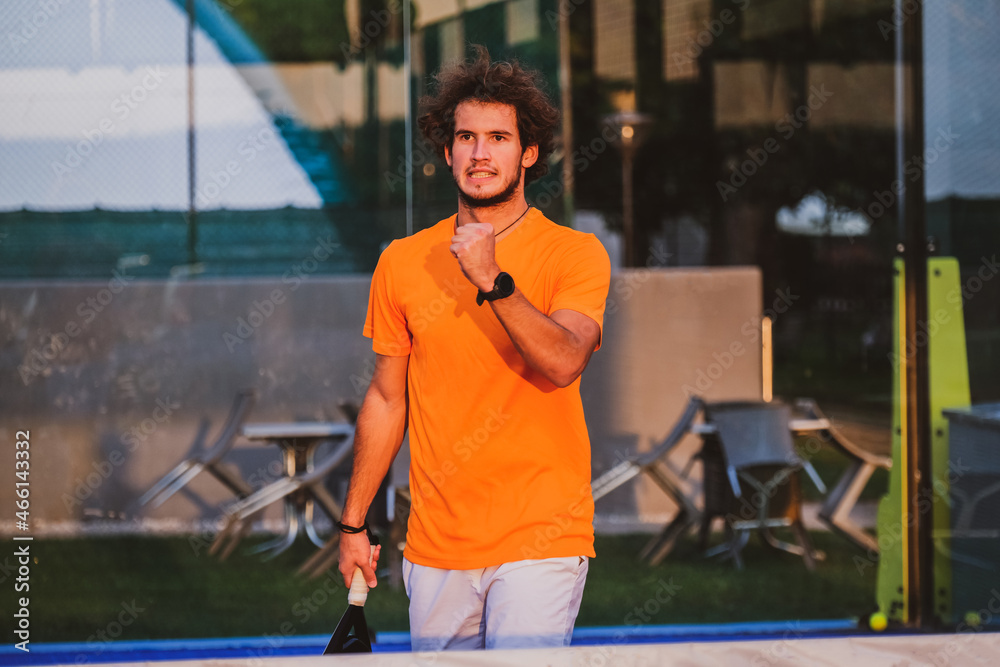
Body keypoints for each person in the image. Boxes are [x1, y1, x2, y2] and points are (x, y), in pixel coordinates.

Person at [337, 46, 611, 651]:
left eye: (498, 138)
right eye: (466, 136)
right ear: (447, 150)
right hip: (436, 545)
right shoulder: (402, 261)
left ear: (528, 153)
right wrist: (353, 522)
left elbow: (564, 360)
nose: (480, 153)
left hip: (542, 539)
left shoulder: (574, 254)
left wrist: (493, 280)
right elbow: (387, 398)